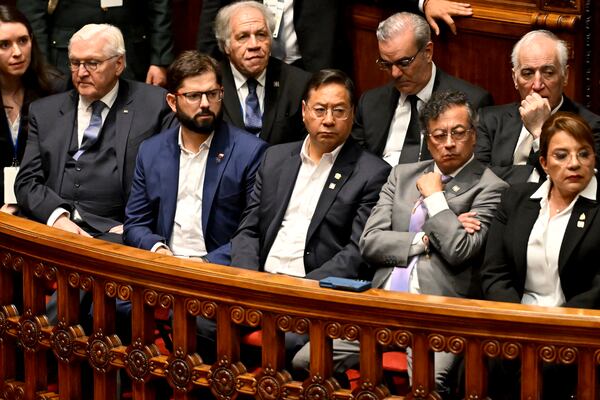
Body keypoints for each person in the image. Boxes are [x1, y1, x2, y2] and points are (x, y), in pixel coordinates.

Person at [294, 90, 508, 397]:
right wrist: (426, 239)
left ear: (474, 136)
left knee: (428, 385)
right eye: (439, 134)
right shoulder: (402, 176)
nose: (448, 143)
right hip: (382, 306)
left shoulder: (491, 188)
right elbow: (370, 242)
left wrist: (436, 199)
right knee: (307, 361)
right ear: (427, 138)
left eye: (458, 133)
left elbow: (461, 250)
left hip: (438, 317)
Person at [231, 69, 391, 362]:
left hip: (312, 294)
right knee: (203, 323)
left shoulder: (372, 173)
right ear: (305, 111)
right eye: (320, 109)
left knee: (283, 342)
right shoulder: (275, 157)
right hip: (259, 285)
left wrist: (301, 288)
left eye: (339, 110)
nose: (328, 119)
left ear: (352, 114)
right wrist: (248, 281)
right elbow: (249, 229)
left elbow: (357, 252)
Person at [15, 24, 174, 243]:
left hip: (119, 232)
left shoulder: (154, 105)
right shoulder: (45, 112)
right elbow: (26, 181)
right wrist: (57, 217)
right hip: (55, 227)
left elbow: (168, 177)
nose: (81, 72)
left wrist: (137, 224)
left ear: (118, 64)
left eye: (92, 63)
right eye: (75, 63)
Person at [481, 112, 600, 399]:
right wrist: (521, 324)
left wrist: (553, 327)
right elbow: (494, 273)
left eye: (583, 154)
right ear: (544, 163)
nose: (574, 164)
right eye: (561, 155)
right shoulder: (517, 198)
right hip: (516, 325)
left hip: (577, 332)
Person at [124, 50, 268, 265]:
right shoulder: (151, 151)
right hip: (162, 265)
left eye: (212, 94)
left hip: (217, 272)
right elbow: (135, 223)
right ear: (173, 102)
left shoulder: (250, 153)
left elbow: (253, 233)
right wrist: (158, 249)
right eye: (193, 96)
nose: (205, 104)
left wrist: (204, 263)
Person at [352, 12, 493, 166]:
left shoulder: (472, 102)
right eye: (387, 64)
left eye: (404, 62)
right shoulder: (370, 103)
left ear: (428, 52)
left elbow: (474, 170)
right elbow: (355, 162)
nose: (395, 73)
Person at [197, 0, 473, 72]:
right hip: (251, 67)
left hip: (312, 68)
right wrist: (205, 66)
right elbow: (213, 9)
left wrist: (424, 2)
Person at [475, 30, 600, 184]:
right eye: (527, 73)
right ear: (515, 78)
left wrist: (540, 132)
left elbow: (572, 183)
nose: (537, 85)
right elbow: (475, 175)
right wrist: (533, 174)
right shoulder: (490, 119)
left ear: (565, 75)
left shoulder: (590, 127)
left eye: (548, 73)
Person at [213, 1, 311, 145]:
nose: (254, 45)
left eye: (261, 35)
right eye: (243, 37)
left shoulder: (298, 83)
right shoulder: (211, 83)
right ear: (226, 46)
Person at [16, 0, 174, 86]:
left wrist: (159, 60)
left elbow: (159, 5)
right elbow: (32, 14)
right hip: (67, 60)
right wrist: (43, 67)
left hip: (130, 55)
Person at [0, 5, 63, 214]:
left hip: (41, 202)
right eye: (4, 45)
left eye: (22, 41)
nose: (17, 52)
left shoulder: (54, 89)